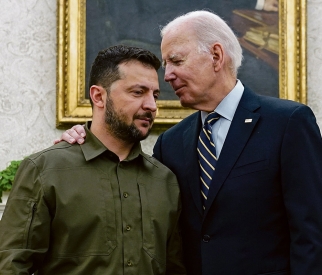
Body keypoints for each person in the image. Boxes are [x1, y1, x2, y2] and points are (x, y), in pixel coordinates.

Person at [56, 11, 322, 275]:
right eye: (166, 65)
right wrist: (84, 136)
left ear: (216, 56)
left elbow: (315, 236)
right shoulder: (171, 143)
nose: (167, 75)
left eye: (176, 61)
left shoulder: (287, 123)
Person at [0, 45, 186, 275]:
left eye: (155, 95)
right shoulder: (45, 170)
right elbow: (11, 265)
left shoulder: (164, 180)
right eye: (138, 92)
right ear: (99, 96)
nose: (151, 106)